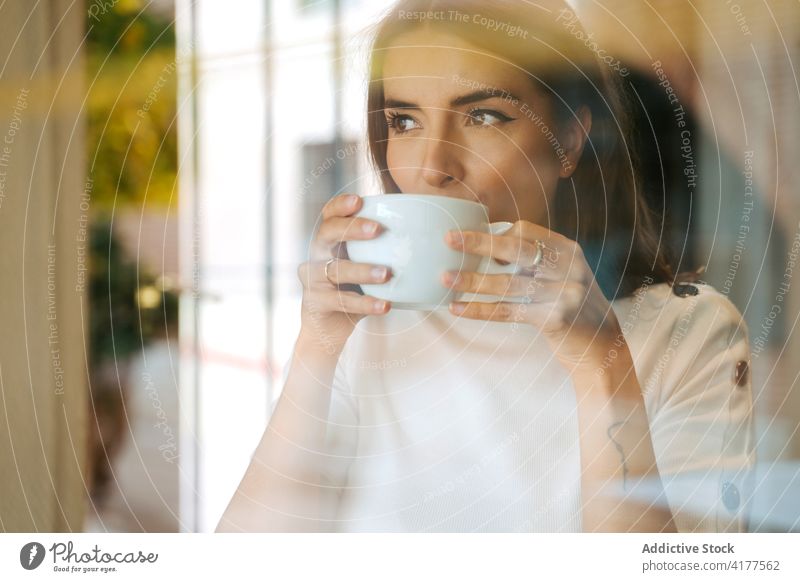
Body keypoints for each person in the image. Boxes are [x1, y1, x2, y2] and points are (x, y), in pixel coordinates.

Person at [217, 0, 754, 533]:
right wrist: (316, 347)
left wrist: (601, 365)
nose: (432, 167)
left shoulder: (689, 330)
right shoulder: (365, 330)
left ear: (568, 139)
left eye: (483, 116)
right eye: (403, 121)